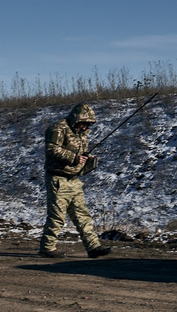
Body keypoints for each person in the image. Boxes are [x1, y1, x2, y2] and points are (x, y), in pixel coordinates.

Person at [39, 103, 111, 259]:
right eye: (84, 123)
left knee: (82, 215)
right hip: (58, 179)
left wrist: (87, 159)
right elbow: (51, 149)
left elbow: (79, 152)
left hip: (74, 180)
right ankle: (47, 247)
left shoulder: (82, 134)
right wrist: (74, 158)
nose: (85, 127)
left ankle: (93, 247)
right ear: (76, 119)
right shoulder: (58, 128)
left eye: (88, 124)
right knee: (57, 216)